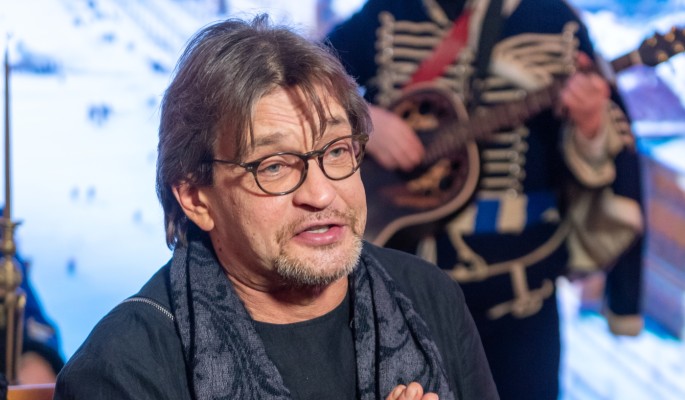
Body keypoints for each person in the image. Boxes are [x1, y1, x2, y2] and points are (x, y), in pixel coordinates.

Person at [54, 15, 499, 400]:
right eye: (274, 166)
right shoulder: (124, 364)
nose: (321, 194)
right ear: (195, 198)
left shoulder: (427, 296)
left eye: (337, 152)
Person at [325, 0, 644, 399]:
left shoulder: (555, 20)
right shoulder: (390, 10)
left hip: (522, 298)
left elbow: (607, 159)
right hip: (408, 295)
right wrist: (363, 121)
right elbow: (309, 81)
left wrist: (591, 123)